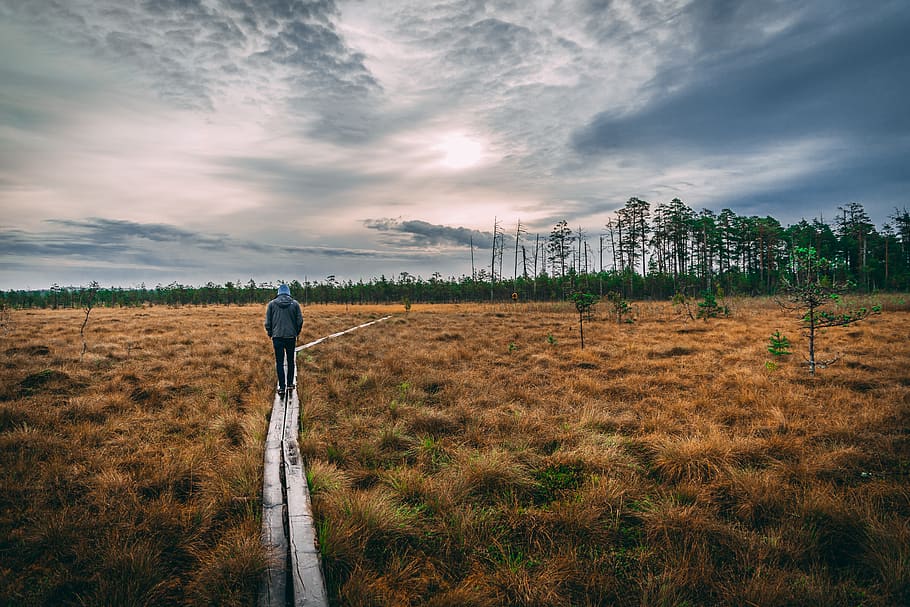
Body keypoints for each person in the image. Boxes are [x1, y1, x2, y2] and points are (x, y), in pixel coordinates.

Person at [265, 284, 303, 395]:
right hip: (291, 337)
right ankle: (290, 385)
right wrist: (296, 332)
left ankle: (282, 387)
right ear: (288, 293)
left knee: (280, 362)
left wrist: (270, 333)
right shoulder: (295, 304)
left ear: (278, 293)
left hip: (277, 337)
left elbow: (268, 322)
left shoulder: (271, 304)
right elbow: (300, 321)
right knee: (291, 361)